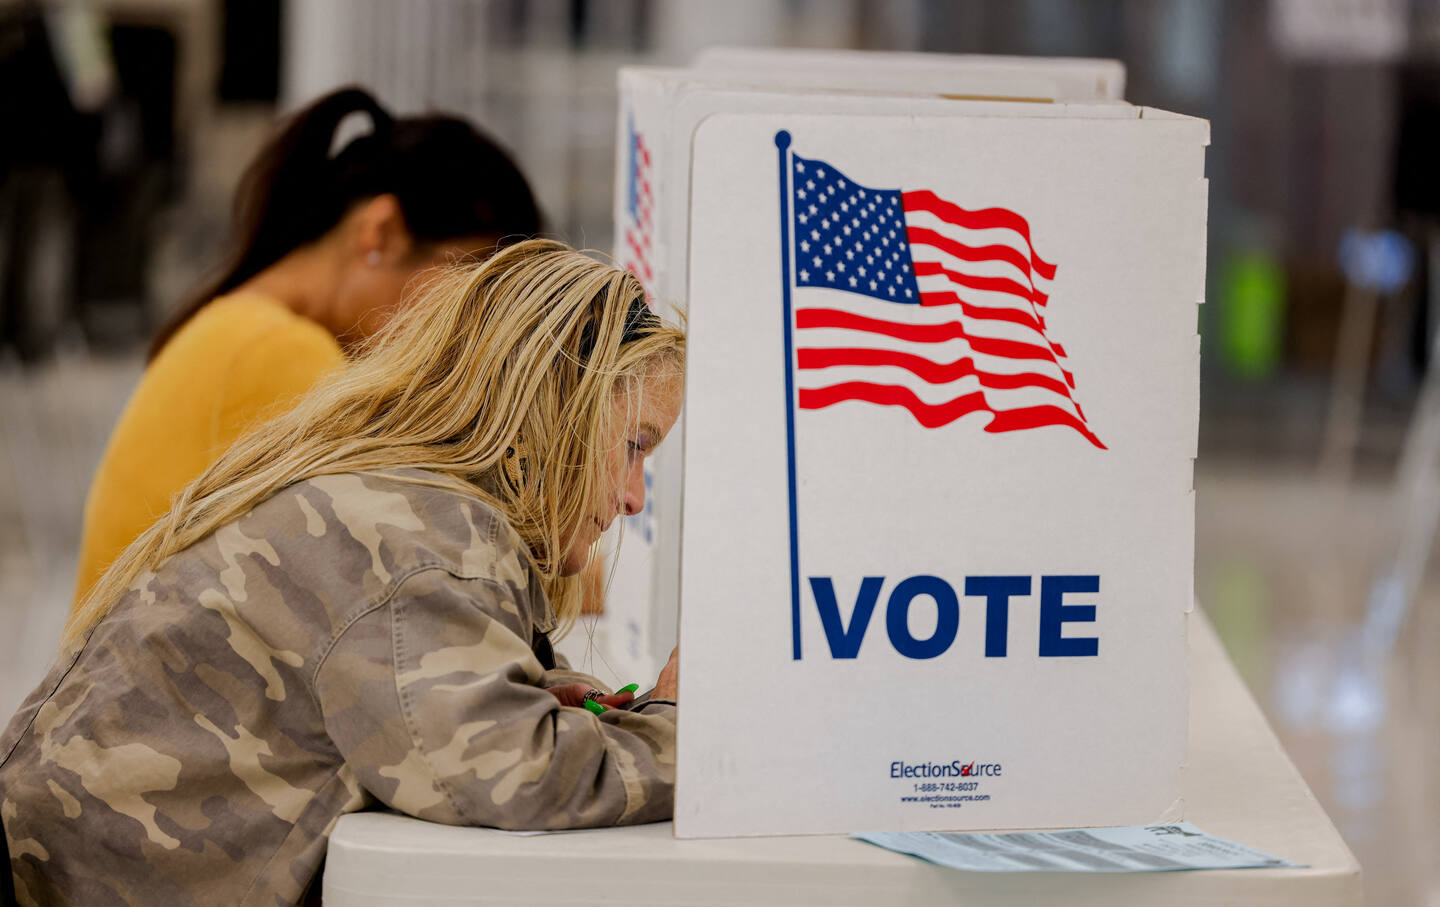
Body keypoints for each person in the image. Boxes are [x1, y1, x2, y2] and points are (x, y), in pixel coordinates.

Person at [0, 241, 683, 905]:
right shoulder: (425, 538)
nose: (633, 496)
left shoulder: (409, 500)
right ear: (556, 409)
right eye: (633, 446)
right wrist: (681, 728)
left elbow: (472, 715)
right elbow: (515, 775)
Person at [71, 85, 542, 609]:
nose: (471, 328)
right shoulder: (278, 354)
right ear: (380, 233)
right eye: (470, 287)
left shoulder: (242, 324)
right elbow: (434, 572)